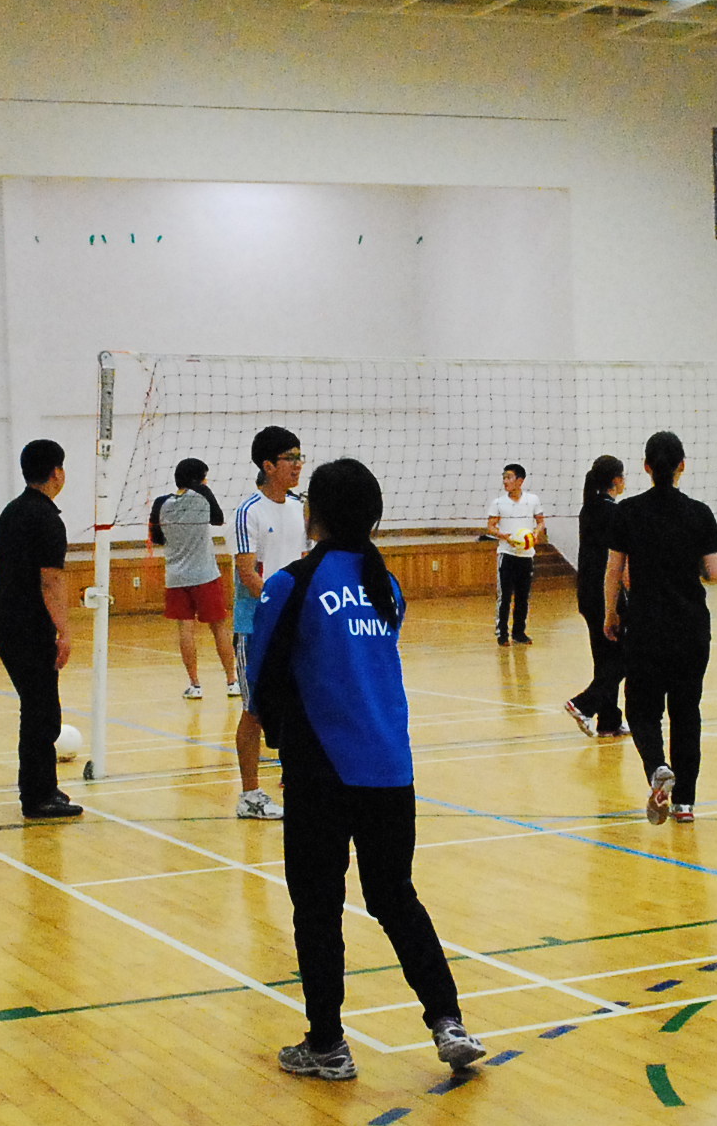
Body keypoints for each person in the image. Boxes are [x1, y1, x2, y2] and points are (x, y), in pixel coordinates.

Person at [249, 458, 485, 1083]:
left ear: (313, 514)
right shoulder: (388, 587)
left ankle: (327, 1044)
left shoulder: (291, 585)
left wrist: (284, 745)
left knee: (317, 908)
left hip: (322, 772)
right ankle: (449, 1022)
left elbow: (263, 680)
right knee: (395, 896)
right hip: (390, 768)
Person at [606, 430, 717, 824]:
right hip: (691, 628)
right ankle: (685, 803)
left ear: (646, 467)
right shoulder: (700, 512)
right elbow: (715, 572)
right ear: (681, 466)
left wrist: (610, 614)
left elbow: (613, 571)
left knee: (642, 709)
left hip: (646, 626)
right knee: (687, 712)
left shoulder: (627, 512)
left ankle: (657, 765)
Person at [0, 439, 81, 821]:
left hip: (6, 623)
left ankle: (44, 786)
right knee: (41, 711)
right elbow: (51, 580)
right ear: (56, 472)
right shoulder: (46, 518)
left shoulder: (13, 510)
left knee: (40, 707)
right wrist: (64, 632)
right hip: (26, 626)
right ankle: (37, 797)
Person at [229, 427, 306, 821]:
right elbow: (248, 574)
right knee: (256, 709)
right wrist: (281, 605)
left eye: (299, 457)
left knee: (300, 702)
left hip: (295, 622)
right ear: (268, 465)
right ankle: (249, 795)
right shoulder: (249, 512)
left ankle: (296, 778)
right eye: (290, 458)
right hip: (256, 626)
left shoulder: (299, 508)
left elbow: (304, 563)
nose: (298, 465)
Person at [147, 460, 236, 699]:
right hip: (205, 574)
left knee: (185, 629)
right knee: (219, 627)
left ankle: (195, 685)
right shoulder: (202, 499)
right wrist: (203, 489)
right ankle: (232, 681)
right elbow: (218, 518)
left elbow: (156, 537)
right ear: (199, 479)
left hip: (176, 576)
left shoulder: (161, 503)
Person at [564, 454, 627, 739]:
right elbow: (619, 561)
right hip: (605, 593)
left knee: (605, 658)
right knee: (626, 657)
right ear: (616, 480)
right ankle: (583, 704)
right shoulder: (614, 512)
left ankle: (609, 721)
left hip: (587, 593)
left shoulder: (588, 508)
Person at [484, 463, 544, 645]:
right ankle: (502, 633)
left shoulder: (533, 500)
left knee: (523, 596)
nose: (505, 481)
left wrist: (535, 533)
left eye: (509, 477)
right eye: (503, 477)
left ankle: (519, 632)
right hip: (507, 554)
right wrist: (504, 536)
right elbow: (491, 527)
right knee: (504, 596)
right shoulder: (498, 503)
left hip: (526, 555)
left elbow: (540, 522)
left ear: (520, 480)